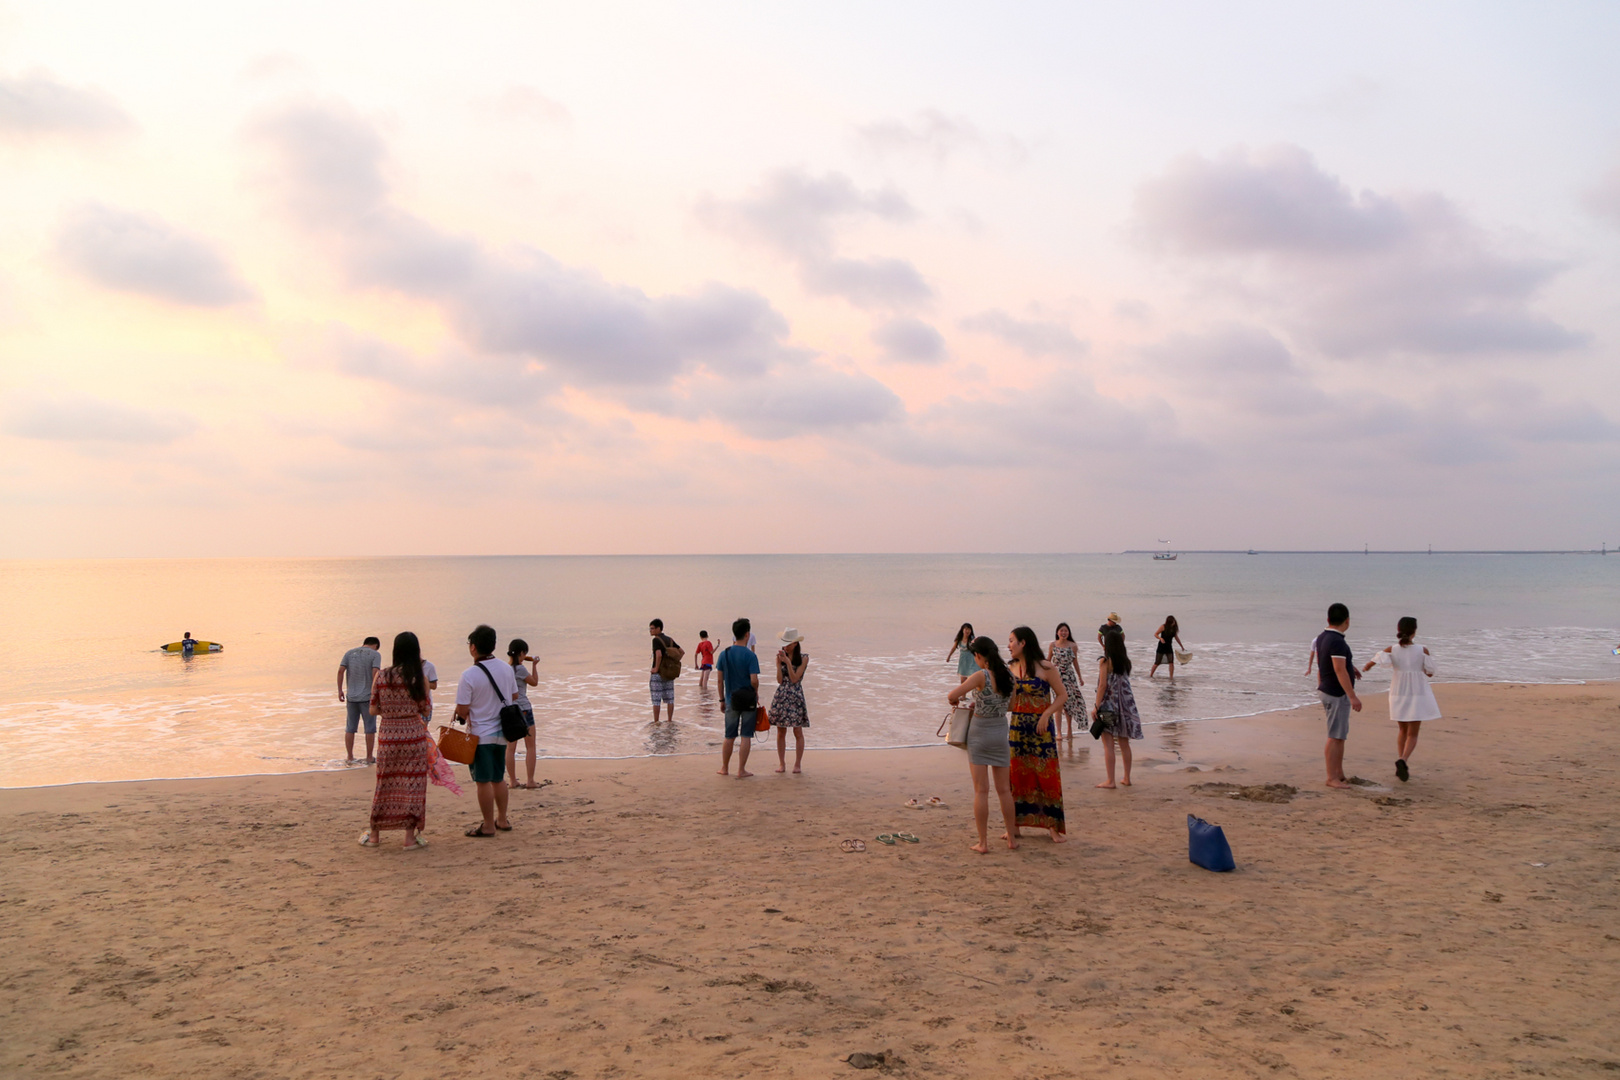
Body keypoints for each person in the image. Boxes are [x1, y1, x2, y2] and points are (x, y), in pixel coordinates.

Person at [361, 631, 432, 851]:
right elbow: (426, 709)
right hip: (413, 735)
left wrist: (390, 711)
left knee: (385, 783)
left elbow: (372, 709)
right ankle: (409, 839)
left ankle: (374, 835)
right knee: (413, 785)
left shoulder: (381, 676)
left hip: (389, 736)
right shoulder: (420, 678)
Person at [947, 636, 1019, 853]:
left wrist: (968, 703)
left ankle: (983, 843)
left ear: (979, 655)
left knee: (981, 791)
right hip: (1000, 732)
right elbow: (1012, 706)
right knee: (1004, 790)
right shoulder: (1009, 675)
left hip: (979, 734)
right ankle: (1011, 839)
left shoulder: (980, 676)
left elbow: (952, 695)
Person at [453, 624, 518, 836]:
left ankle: (488, 825)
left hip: (480, 735)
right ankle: (502, 820)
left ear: (473, 647)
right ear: (494, 645)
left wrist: (467, 711)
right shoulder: (506, 669)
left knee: (482, 781)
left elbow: (462, 709)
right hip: (502, 732)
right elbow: (514, 696)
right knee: (498, 778)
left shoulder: (469, 675)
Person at [1006, 625, 1067, 843]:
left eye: (1012, 640)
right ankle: (1015, 825)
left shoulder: (1046, 667)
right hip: (1017, 728)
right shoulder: (1011, 668)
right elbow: (1009, 702)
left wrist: (1046, 714)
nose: (1008, 645)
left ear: (1024, 643)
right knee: (1016, 775)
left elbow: (1062, 696)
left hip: (1042, 730)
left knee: (1046, 775)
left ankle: (1053, 828)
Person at [1362, 616, 1439, 783]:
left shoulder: (1393, 648)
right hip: (1417, 692)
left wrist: (1367, 666)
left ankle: (1400, 759)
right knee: (1413, 733)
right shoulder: (1422, 650)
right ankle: (1403, 759)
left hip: (1398, 692)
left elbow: (1376, 658)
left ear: (1399, 630)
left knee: (1402, 730)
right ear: (1414, 632)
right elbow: (1430, 672)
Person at [1091, 624, 1143, 788]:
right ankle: (1127, 778)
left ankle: (1110, 780)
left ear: (1107, 645)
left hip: (1108, 706)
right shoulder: (1126, 662)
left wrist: (1095, 706)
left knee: (1108, 745)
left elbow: (1102, 686)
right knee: (1124, 743)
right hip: (1126, 706)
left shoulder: (1105, 661)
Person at [1316, 603, 1362, 790]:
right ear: (1347, 621)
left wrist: (1352, 667)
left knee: (1340, 735)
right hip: (1336, 692)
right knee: (1335, 736)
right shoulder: (1337, 641)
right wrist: (1353, 696)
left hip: (1328, 689)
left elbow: (1331, 662)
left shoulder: (1323, 637)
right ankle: (1331, 777)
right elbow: (1338, 669)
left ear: (1328, 619)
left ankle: (1339, 773)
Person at [716, 618, 761, 778]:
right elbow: (754, 680)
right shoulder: (750, 656)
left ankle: (724, 768)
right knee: (746, 735)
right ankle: (741, 770)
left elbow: (719, 680)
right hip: (748, 700)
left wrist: (721, 700)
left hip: (730, 700)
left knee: (729, 735)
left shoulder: (724, 654)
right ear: (747, 634)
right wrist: (756, 692)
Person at [337, 636, 382, 765]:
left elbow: (341, 671)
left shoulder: (349, 653)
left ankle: (350, 756)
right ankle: (369, 757)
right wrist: (377, 693)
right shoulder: (375, 655)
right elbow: (375, 673)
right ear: (376, 645)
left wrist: (340, 690)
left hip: (351, 696)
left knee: (350, 727)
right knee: (369, 728)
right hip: (367, 697)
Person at [770, 629, 810, 774]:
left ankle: (797, 764)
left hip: (795, 696)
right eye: (783, 644)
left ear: (795, 644)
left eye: (787, 644)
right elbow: (780, 680)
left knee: (797, 731)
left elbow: (795, 679)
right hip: (781, 696)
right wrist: (778, 665)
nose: (785, 647)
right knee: (780, 731)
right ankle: (782, 764)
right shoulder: (781, 657)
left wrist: (787, 662)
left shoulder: (804, 658)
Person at [505, 638, 540, 790]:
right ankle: (530, 780)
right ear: (522, 653)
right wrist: (534, 665)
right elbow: (534, 682)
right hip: (524, 709)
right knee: (530, 746)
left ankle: (513, 780)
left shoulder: (505, 669)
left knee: (510, 748)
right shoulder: (520, 669)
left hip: (510, 710)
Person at [1047, 623, 1086, 737]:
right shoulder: (1053, 645)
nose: (1063, 633)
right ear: (1057, 632)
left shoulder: (1073, 645)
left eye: (1066, 631)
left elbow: (1075, 662)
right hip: (1056, 676)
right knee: (1058, 704)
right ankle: (1058, 732)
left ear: (1068, 633)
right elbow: (1048, 661)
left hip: (1069, 676)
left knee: (1069, 703)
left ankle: (1069, 730)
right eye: (1061, 631)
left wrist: (1080, 677)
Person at [648, 619, 681, 723]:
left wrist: (656, 668)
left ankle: (656, 722)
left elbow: (659, 655)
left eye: (652, 628)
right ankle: (670, 720)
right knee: (670, 699)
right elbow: (681, 652)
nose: (650, 630)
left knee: (656, 700)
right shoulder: (669, 640)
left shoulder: (656, 640)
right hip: (668, 673)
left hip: (658, 674)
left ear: (659, 628)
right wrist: (673, 663)